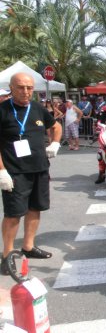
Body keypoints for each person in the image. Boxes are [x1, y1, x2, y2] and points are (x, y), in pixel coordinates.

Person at [0, 72, 62, 275]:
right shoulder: (2, 110)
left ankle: (28, 246)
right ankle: (7, 255)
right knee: (13, 214)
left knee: (35, 208)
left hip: (39, 168)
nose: (25, 91)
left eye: (29, 87)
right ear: (11, 87)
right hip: (14, 172)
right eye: (20, 87)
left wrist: (55, 142)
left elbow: (56, 126)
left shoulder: (37, 108)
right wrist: (2, 171)